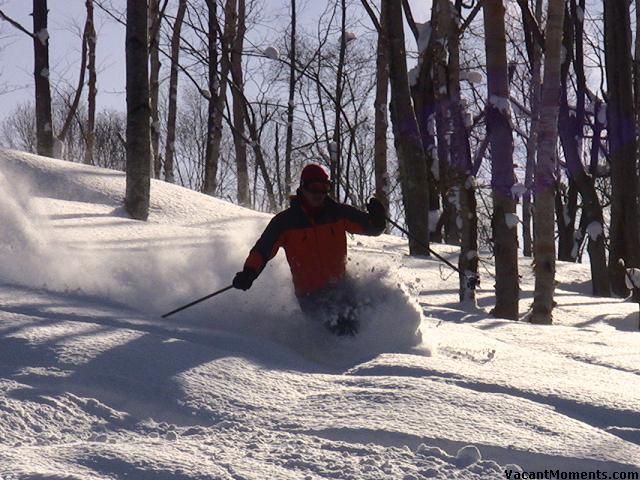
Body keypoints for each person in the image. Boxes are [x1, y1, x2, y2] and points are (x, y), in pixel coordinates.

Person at [232, 164, 386, 335]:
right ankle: (338, 357)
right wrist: (249, 272)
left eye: (324, 188)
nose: (318, 194)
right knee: (344, 328)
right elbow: (263, 250)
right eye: (314, 188)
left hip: (341, 286)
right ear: (303, 187)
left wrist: (378, 219)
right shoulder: (285, 222)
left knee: (371, 311)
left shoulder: (338, 213)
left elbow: (371, 228)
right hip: (312, 295)